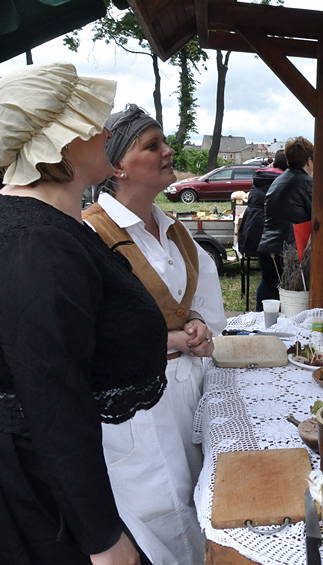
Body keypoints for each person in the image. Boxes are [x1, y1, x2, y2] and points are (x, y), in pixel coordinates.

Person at [0, 63, 167, 565]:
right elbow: (51, 394)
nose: (104, 133)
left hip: (54, 481)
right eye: (91, 123)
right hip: (42, 504)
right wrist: (100, 537)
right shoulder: (39, 242)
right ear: (61, 142)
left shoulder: (47, 227)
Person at [85, 103, 227, 565]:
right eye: (153, 145)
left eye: (163, 142)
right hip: (135, 411)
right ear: (118, 165)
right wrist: (173, 341)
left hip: (187, 394)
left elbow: (207, 304)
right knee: (157, 516)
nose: (168, 152)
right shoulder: (90, 235)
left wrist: (202, 327)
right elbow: (85, 335)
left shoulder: (176, 231)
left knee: (195, 498)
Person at [257, 137, 316, 296]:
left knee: (269, 291)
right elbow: (318, 218)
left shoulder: (278, 180)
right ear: (309, 161)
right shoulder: (305, 182)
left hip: (267, 246)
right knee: (290, 301)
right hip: (287, 251)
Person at [239, 150, 287, 310]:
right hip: (269, 234)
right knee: (273, 279)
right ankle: (264, 314)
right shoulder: (281, 181)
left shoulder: (262, 177)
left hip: (255, 231)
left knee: (269, 277)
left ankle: (264, 313)